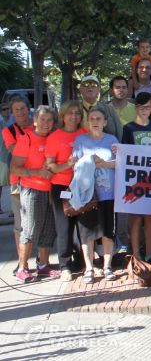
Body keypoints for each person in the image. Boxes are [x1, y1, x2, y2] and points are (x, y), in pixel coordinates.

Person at [11, 106, 58, 282]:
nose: (46, 123)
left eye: (49, 120)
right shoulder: (27, 139)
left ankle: (44, 266)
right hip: (32, 189)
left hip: (51, 190)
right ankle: (22, 268)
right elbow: (15, 168)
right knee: (30, 229)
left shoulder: (53, 138)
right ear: (35, 121)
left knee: (48, 229)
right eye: (42, 119)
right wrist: (37, 173)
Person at [70, 108, 117, 283]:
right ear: (87, 122)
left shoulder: (112, 140)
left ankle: (107, 266)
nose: (95, 121)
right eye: (92, 119)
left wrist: (103, 162)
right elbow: (73, 163)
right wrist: (89, 161)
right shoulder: (81, 140)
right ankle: (89, 268)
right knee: (87, 233)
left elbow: (120, 163)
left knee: (108, 231)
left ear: (105, 122)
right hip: (87, 195)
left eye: (99, 118)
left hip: (109, 194)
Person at [44, 101, 86, 281]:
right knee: (64, 226)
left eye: (77, 113)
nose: (74, 117)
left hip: (83, 184)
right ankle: (65, 265)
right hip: (62, 186)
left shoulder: (85, 133)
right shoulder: (54, 137)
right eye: (70, 113)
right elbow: (50, 166)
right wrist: (67, 165)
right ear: (63, 116)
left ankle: (85, 262)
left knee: (84, 225)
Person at [122, 92, 151, 263]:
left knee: (150, 218)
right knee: (136, 218)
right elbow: (125, 152)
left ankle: (149, 253)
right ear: (136, 108)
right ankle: (136, 255)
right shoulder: (128, 128)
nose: (144, 110)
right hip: (135, 178)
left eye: (147, 107)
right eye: (141, 107)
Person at [3, 96, 33, 272]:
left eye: (23, 108)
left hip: (40, 180)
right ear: (12, 112)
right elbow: (17, 151)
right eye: (16, 110)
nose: (20, 112)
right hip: (19, 181)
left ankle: (41, 260)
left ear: (28, 109)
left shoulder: (38, 125)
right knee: (20, 225)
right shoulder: (9, 131)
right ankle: (23, 262)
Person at [78, 74, 123, 140]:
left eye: (94, 85)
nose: (90, 87)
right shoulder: (74, 110)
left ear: (99, 89)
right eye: (85, 84)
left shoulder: (109, 109)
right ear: (80, 89)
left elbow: (119, 132)